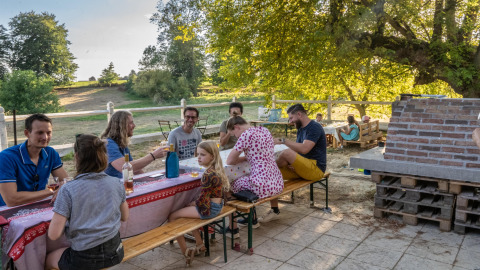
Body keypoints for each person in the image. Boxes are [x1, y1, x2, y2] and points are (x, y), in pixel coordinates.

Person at [45, 134, 129, 270]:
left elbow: (53, 235)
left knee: (49, 259)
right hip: (115, 253)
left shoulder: (68, 189)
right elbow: (125, 217)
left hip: (85, 260)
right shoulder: (116, 183)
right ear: (103, 156)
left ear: (77, 157)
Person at [168, 141, 229, 266]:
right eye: (197, 154)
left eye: (202, 155)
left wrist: (194, 203)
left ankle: (185, 252)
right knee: (187, 211)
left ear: (212, 156)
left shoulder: (208, 174)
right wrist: (194, 204)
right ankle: (200, 244)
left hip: (211, 209)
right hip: (218, 206)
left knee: (172, 216)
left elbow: (203, 200)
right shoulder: (216, 170)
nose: (198, 158)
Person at [266, 104, 327, 223]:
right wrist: (293, 163)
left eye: (291, 118)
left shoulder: (314, 127)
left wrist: (283, 141)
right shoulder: (301, 128)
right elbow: (299, 151)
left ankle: (269, 164)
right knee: (269, 171)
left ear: (299, 114)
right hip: (303, 168)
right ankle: (274, 210)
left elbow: (304, 149)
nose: (290, 121)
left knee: (285, 153)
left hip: (316, 169)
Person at [226, 116, 284, 231]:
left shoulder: (246, 135)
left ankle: (236, 226)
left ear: (236, 127)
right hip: (277, 182)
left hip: (262, 186)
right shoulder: (264, 130)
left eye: (234, 134)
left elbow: (230, 161)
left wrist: (244, 158)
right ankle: (251, 218)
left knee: (230, 185)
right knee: (246, 178)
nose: (236, 137)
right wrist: (249, 157)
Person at [0, 113, 69, 207]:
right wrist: (51, 190)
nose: (45, 137)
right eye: (40, 133)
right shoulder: (6, 157)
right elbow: (11, 200)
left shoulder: (51, 153)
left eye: (48, 133)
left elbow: (65, 182)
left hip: (38, 205)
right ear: (27, 133)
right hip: (8, 211)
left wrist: (61, 187)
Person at [101, 110, 166, 179]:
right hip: (113, 187)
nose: (134, 126)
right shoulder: (108, 144)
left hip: (122, 184)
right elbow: (125, 168)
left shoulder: (121, 143)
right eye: (131, 123)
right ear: (121, 126)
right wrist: (153, 156)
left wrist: (149, 180)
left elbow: (135, 170)